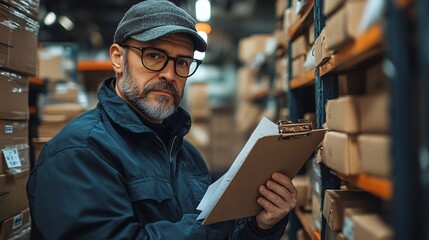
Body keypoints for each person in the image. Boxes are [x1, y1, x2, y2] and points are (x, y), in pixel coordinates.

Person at [26, 0, 297, 239]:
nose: (170, 74)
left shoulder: (186, 155)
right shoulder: (80, 153)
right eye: (154, 56)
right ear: (118, 59)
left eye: (182, 62)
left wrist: (261, 226)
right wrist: (213, 226)